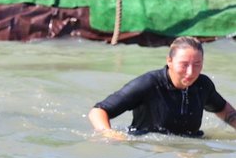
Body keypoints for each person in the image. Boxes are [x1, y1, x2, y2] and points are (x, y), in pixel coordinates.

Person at [88, 36, 236, 138]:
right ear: (169, 61)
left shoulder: (203, 85)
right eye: (184, 65)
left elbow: (223, 109)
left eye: (197, 65)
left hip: (189, 150)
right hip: (149, 149)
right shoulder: (149, 83)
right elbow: (98, 111)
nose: (191, 72)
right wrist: (108, 134)